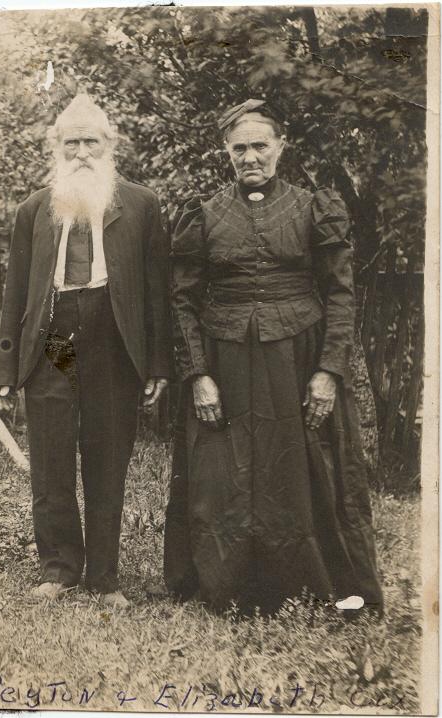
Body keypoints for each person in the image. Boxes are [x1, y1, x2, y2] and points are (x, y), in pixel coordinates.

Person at [164, 99, 383, 615]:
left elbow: (340, 293)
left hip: (298, 360)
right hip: (225, 362)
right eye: (239, 148)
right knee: (225, 472)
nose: (250, 157)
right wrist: (198, 375)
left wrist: (328, 371)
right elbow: (182, 299)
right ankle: (228, 585)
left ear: (281, 147)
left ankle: (319, 586)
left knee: (306, 468)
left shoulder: (312, 207)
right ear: (226, 151)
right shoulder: (205, 214)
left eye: (260, 146)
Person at [0, 94, 171, 607]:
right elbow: (15, 292)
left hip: (111, 337)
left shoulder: (141, 205)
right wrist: (6, 365)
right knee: (51, 457)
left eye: (92, 141)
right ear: (57, 146)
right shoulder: (34, 209)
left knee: (107, 455)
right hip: (54, 340)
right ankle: (59, 568)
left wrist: (158, 362)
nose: (82, 153)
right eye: (72, 143)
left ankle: (104, 576)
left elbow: (157, 292)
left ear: (109, 144)